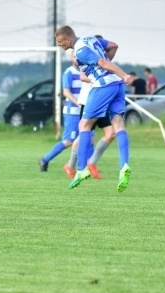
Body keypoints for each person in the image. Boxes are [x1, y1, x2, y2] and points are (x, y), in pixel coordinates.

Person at [54, 25, 135, 192]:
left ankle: (82, 169)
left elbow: (103, 62)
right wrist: (114, 73)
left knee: (84, 125)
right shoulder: (90, 39)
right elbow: (113, 46)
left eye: (60, 42)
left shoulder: (81, 50)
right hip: (117, 85)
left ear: (68, 39)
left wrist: (124, 74)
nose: (59, 45)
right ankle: (124, 166)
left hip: (104, 86)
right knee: (118, 125)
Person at [64, 69, 115, 180]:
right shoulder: (89, 58)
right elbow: (83, 76)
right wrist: (105, 80)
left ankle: (91, 163)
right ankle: (70, 165)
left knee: (111, 134)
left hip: (101, 103)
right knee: (84, 136)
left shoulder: (104, 59)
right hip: (88, 102)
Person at [38, 64, 82, 172]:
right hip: (72, 112)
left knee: (88, 138)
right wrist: (78, 103)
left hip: (84, 112)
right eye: (75, 56)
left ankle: (88, 166)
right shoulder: (69, 72)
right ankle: (45, 159)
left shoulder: (87, 71)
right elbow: (66, 92)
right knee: (68, 141)